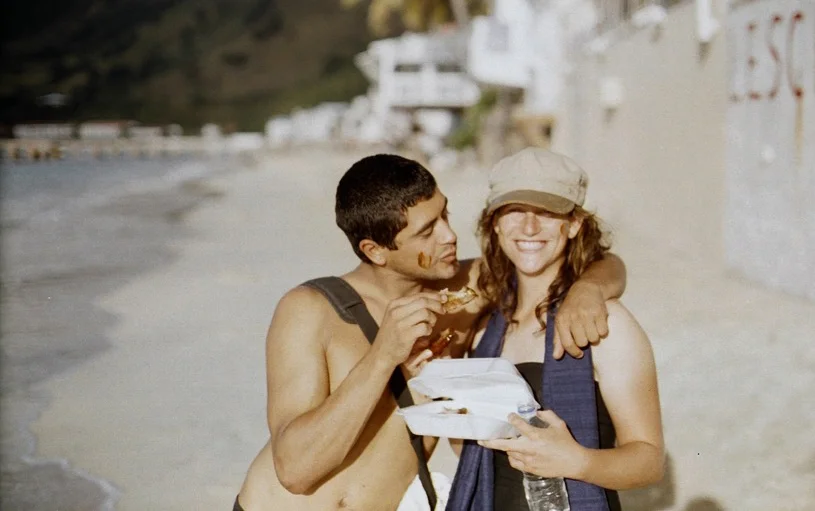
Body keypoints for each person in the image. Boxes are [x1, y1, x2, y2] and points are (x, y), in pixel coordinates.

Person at [234, 154, 628, 511]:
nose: (449, 236)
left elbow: (589, 261)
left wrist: (590, 288)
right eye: (427, 232)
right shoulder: (312, 309)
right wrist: (383, 355)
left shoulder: (461, 295)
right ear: (375, 251)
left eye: (446, 215)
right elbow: (296, 470)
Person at [446, 148, 664, 511]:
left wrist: (578, 461)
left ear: (575, 224)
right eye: (514, 211)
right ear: (495, 222)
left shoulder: (606, 324)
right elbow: (472, 451)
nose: (529, 227)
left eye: (547, 212)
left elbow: (649, 461)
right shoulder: (486, 326)